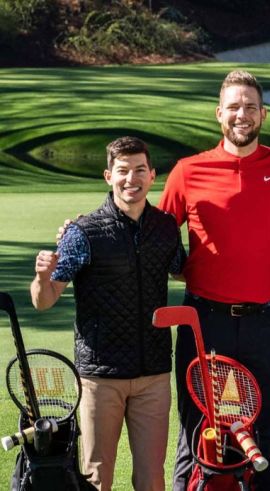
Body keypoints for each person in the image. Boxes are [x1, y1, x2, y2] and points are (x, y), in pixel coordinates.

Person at [158, 70, 270, 490]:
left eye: (249, 107)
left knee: (262, 441)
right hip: (205, 322)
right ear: (218, 114)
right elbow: (155, 236)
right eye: (233, 107)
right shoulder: (188, 171)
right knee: (199, 438)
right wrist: (82, 227)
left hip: (266, 323)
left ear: (262, 114)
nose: (241, 114)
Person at [30, 136, 185, 491]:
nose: (131, 179)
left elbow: (183, 269)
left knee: (152, 479)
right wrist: (41, 276)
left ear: (153, 175)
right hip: (100, 377)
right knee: (95, 477)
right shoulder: (83, 232)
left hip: (154, 375)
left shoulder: (165, 228)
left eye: (139, 170)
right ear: (107, 175)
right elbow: (44, 299)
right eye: (123, 171)